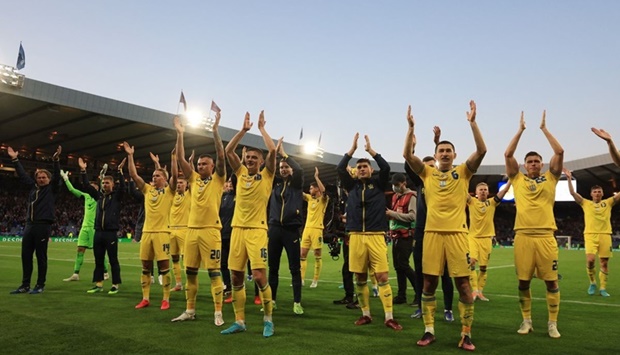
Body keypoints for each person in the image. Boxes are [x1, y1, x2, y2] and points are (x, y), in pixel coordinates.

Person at [404, 101, 486, 350]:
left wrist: (472, 123)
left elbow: (481, 151)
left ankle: (466, 333)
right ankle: (429, 330)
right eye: (441, 151)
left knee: (463, 285)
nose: (445, 153)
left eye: (449, 150)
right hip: (431, 235)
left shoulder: (463, 172)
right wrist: (410, 128)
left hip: (458, 236)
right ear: (437, 156)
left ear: (455, 154)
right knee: (428, 284)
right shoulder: (427, 174)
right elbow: (407, 156)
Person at [504, 110, 564, 339]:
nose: (533, 164)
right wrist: (520, 130)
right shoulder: (516, 178)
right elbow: (508, 153)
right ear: (524, 165)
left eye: (537, 161)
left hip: (546, 236)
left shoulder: (551, 177)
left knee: (551, 282)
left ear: (542, 164)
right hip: (523, 236)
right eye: (529, 161)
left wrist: (543, 129)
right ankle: (526, 320)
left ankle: (552, 323)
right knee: (523, 281)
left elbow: (559, 151)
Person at [337, 133, 402, 331]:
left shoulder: (379, 184)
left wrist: (370, 151)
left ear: (370, 169)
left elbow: (386, 168)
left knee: (382, 277)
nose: (362, 169)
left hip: (376, 235)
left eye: (365, 166)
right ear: (355, 172)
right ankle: (365, 314)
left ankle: (389, 316)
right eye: (359, 167)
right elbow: (340, 168)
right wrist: (352, 150)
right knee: (360, 278)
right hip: (356, 235)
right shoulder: (352, 186)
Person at [221, 111, 277, 337]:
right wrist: (243, 130)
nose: (251, 160)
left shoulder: (268, 175)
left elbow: (273, 150)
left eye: (255, 158)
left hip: (257, 231)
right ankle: (240, 321)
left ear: (261, 162)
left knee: (260, 276)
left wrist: (262, 129)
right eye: (249, 157)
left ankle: (268, 320)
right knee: (235, 276)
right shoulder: (240, 172)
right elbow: (227, 151)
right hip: (236, 231)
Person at [171, 113, 226, 326]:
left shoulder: (219, 179)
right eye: (200, 164)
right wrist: (180, 134)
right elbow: (182, 160)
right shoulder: (193, 179)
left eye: (205, 164)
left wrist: (215, 132)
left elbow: (221, 157)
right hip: (191, 231)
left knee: (214, 273)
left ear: (212, 167)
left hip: (211, 231)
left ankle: (218, 313)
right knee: (190, 273)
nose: (201, 166)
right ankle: (190, 310)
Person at [404, 130, 455, 322]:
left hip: (443, 229)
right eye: (427, 167)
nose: (431, 169)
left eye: (434, 166)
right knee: (420, 270)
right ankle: (420, 305)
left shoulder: (447, 179)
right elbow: (409, 164)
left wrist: (437, 141)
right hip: (422, 231)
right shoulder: (422, 180)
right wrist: (413, 147)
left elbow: (444, 160)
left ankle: (448, 308)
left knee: (446, 273)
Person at [124, 141, 177, 310]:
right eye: (153, 176)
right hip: (147, 232)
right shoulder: (147, 190)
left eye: (157, 176)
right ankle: (145, 298)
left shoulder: (170, 191)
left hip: (162, 233)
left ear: (165, 179)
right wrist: (130, 155)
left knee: (164, 267)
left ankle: (166, 299)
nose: (154, 178)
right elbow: (133, 175)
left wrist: (174, 159)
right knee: (146, 267)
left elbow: (175, 176)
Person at [8, 145, 61, 295]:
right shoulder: (33, 187)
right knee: (26, 255)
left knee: (41, 256)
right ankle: (25, 285)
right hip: (29, 225)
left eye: (44, 177)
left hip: (43, 226)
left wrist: (56, 161)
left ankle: (40, 284)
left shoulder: (52, 189)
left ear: (49, 180)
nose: (41, 179)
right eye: (39, 177)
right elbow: (23, 175)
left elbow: (57, 176)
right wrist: (15, 159)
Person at [61, 158, 121, 282]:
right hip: (84, 227)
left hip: (95, 227)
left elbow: (101, 186)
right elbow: (72, 190)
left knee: (98, 252)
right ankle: (76, 274)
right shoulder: (85, 196)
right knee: (80, 249)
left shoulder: (99, 197)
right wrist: (66, 179)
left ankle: (105, 272)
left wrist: (102, 175)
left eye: (95, 187)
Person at [564, 168, 618, 297]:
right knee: (590, 260)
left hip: (605, 235)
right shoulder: (585, 203)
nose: (597, 193)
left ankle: (603, 288)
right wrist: (569, 178)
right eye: (595, 192)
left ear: (603, 193)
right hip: (590, 235)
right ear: (591, 194)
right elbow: (572, 193)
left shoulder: (608, 202)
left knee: (604, 262)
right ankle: (593, 283)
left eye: (599, 191)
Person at [267, 140, 304, 314]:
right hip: (274, 229)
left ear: (291, 169)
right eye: (281, 167)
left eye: (286, 167)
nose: (283, 169)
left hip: (291, 230)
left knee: (294, 268)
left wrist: (285, 155)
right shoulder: (275, 185)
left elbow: (300, 169)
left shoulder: (297, 184)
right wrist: (274, 154)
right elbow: (268, 169)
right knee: (272, 268)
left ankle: (297, 302)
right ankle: (272, 300)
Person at [82, 158, 125, 294]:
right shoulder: (99, 196)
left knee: (113, 260)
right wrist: (83, 171)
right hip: (98, 232)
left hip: (110, 233)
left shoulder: (116, 197)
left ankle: (115, 285)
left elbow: (123, 187)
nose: (105, 185)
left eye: (107, 183)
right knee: (98, 260)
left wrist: (120, 172)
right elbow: (87, 186)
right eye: (103, 183)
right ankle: (99, 284)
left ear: (112, 184)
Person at [467, 180, 511, 301]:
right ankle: (474, 290)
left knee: (483, 267)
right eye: (480, 189)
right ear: (476, 192)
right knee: (471, 262)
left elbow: (504, 191)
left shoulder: (492, 203)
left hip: (486, 238)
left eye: (485, 190)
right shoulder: (471, 201)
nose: (483, 191)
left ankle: (480, 292)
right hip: (473, 237)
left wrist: (511, 180)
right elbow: (460, 189)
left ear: (488, 192)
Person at [385, 172, 416, 305]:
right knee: (398, 266)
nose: (395, 187)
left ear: (404, 183)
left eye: (397, 185)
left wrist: (393, 214)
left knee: (403, 264)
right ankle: (401, 295)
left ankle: (419, 292)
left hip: (407, 236)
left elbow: (413, 216)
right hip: (396, 235)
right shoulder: (395, 197)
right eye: (393, 185)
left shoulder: (412, 196)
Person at [300, 167, 329, 289]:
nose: (309, 190)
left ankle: (315, 280)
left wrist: (316, 177)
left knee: (317, 255)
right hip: (307, 229)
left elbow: (324, 191)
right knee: (302, 255)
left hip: (317, 229)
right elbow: (298, 192)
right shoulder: (309, 198)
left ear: (316, 189)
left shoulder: (323, 199)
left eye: (311, 188)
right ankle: (301, 279)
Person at [168, 150, 190, 292]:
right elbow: (172, 177)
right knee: (174, 258)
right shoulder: (171, 195)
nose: (179, 185)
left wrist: (189, 163)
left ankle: (190, 284)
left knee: (186, 259)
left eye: (182, 183)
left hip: (184, 229)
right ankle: (178, 284)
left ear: (187, 185)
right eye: (178, 183)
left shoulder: (190, 194)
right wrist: (173, 159)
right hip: (171, 229)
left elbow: (191, 177)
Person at [221, 178, 236, 303]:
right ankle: (228, 288)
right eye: (229, 182)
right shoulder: (223, 197)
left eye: (232, 181)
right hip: (222, 234)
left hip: (235, 234)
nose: (230, 183)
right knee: (223, 264)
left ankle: (238, 288)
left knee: (236, 264)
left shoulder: (240, 196)